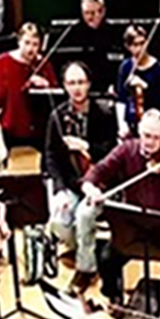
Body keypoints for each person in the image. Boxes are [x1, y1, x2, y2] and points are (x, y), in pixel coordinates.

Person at [71, 109, 160, 302]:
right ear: (138, 130)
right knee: (106, 260)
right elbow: (100, 170)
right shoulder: (127, 150)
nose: (150, 142)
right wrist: (90, 187)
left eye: (156, 137)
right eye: (146, 135)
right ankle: (115, 299)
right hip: (133, 228)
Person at [43, 62, 116, 260]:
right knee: (58, 221)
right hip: (70, 182)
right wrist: (59, 190)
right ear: (65, 86)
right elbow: (50, 157)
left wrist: (87, 146)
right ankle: (82, 248)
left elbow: (112, 152)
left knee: (84, 216)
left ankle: (86, 267)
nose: (77, 88)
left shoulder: (104, 114)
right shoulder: (57, 117)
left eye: (81, 82)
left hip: (97, 184)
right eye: (72, 83)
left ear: (89, 84)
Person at [0, 22, 58, 148]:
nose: (30, 49)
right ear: (19, 41)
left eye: (35, 44)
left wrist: (46, 85)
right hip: (8, 130)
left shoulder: (44, 65)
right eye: (26, 43)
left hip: (38, 132)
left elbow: (55, 98)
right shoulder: (1, 63)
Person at [115, 24, 160, 138]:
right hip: (132, 120)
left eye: (142, 43)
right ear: (128, 47)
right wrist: (122, 126)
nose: (140, 49)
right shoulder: (126, 67)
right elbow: (121, 99)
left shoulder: (158, 68)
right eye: (135, 45)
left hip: (154, 121)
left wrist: (146, 87)